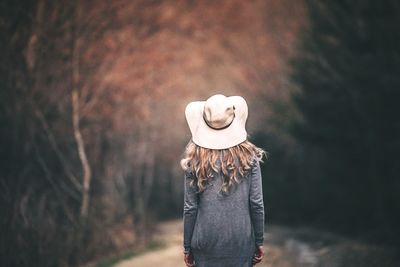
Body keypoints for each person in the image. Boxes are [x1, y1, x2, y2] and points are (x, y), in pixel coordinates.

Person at [181, 94, 266, 267]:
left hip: (205, 241)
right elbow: (256, 203)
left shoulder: (194, 161)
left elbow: (190, 208)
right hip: (241, 240)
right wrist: (259, 241)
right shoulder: (249, 158)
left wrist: (187, 247)